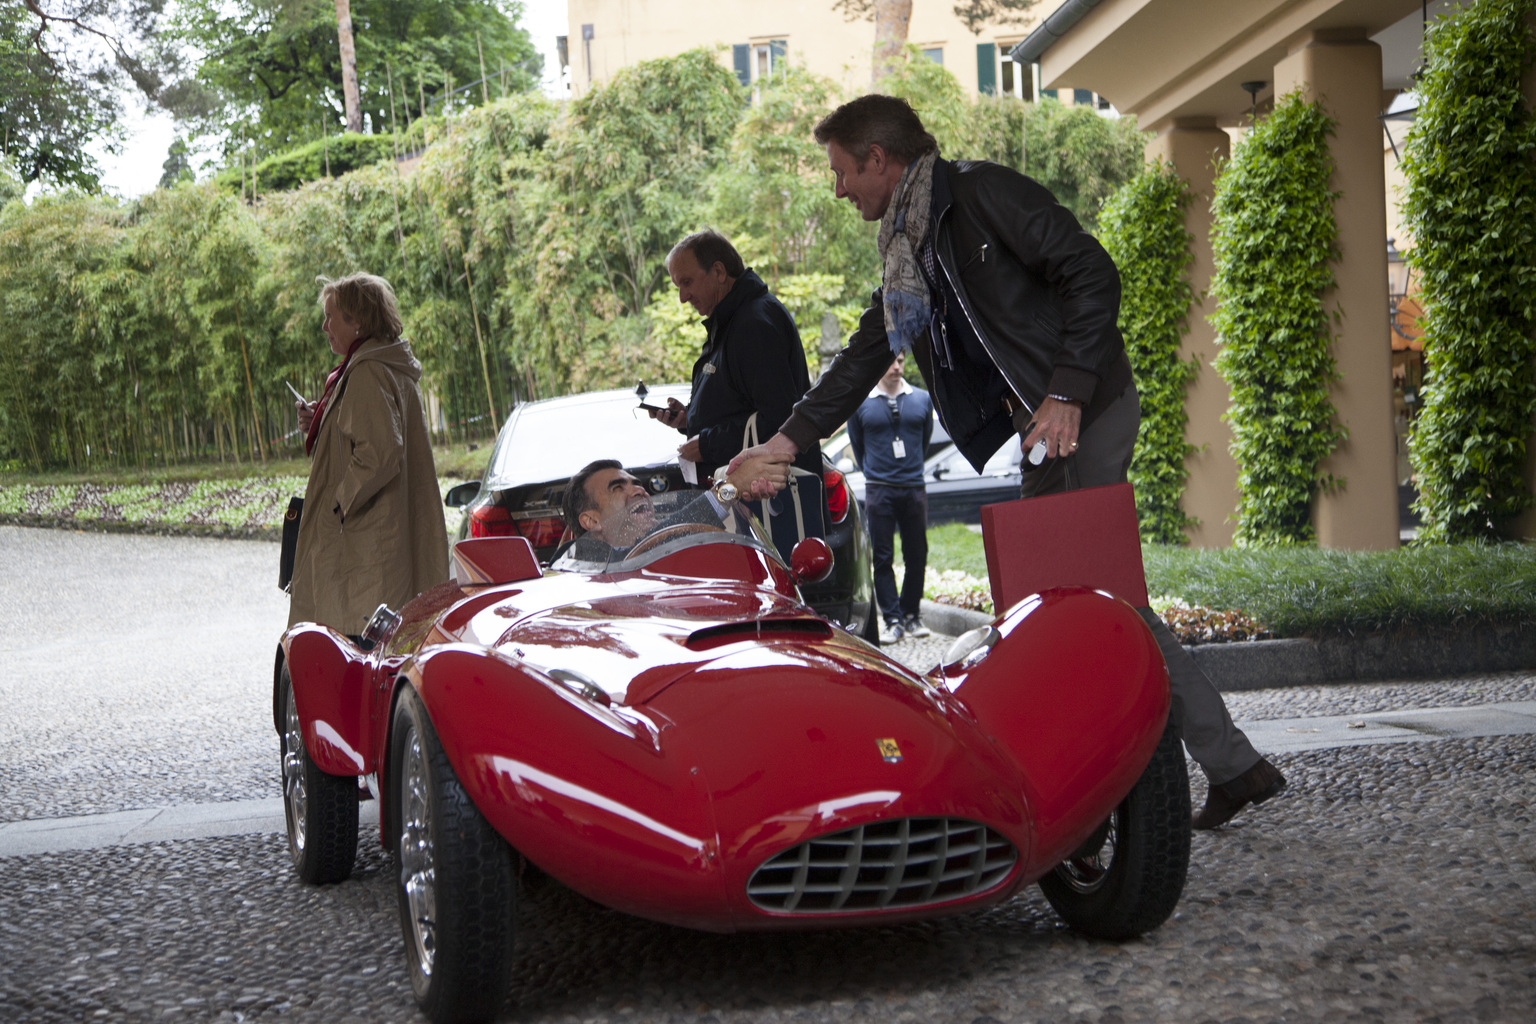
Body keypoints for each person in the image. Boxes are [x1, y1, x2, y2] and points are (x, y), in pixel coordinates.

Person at [731, 94, 1285, 831]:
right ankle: (1222, 765)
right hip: (1045, 428)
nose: (837, 189)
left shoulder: (981, 195)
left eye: (840, 172)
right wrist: (786, 442)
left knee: (1090, 604)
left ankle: (1148, 777)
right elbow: (871, 349)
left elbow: (1093, 273)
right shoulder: (911, 243)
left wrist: (1066, 390)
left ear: (877, 159)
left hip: (1080, 412)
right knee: (1078, 602)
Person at [288, 273, 449, 638]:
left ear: (357, 320)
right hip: (380, 537)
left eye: (331, 317)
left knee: (360, 648)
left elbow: (379, 454)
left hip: (367, 545)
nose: (324, 326)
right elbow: (369, 435)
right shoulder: (383, 365)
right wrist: (322, 420)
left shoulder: (367, 372)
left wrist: (339, 505)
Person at [651, 230, 824, 555]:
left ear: (718, 272)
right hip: (745, 509)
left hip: (769, 510)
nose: (682, 297)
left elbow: (782, 421)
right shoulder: (731, 322)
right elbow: (740, 406)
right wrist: (691, 420)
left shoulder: (753, 324)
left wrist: (708, 443)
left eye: (686, 282)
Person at [559, 452, 792, 561]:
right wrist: (732, 486)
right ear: (591, 521)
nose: (639, 491)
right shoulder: (581, 561)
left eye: (636, 484)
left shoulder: (689, 544)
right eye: (617, 488)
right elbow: (653, 542)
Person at [847, 353, 933, 644]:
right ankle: (892, 619)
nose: (896, 367)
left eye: (901, 360)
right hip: (879, 489)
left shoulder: (922, 399)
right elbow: (858, 448)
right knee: (882, 557)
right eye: (890, 361)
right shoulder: (862, 403)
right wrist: (874, 471)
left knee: (917, 553)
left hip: (913, 487)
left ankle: (911, 615)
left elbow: (924, 441)